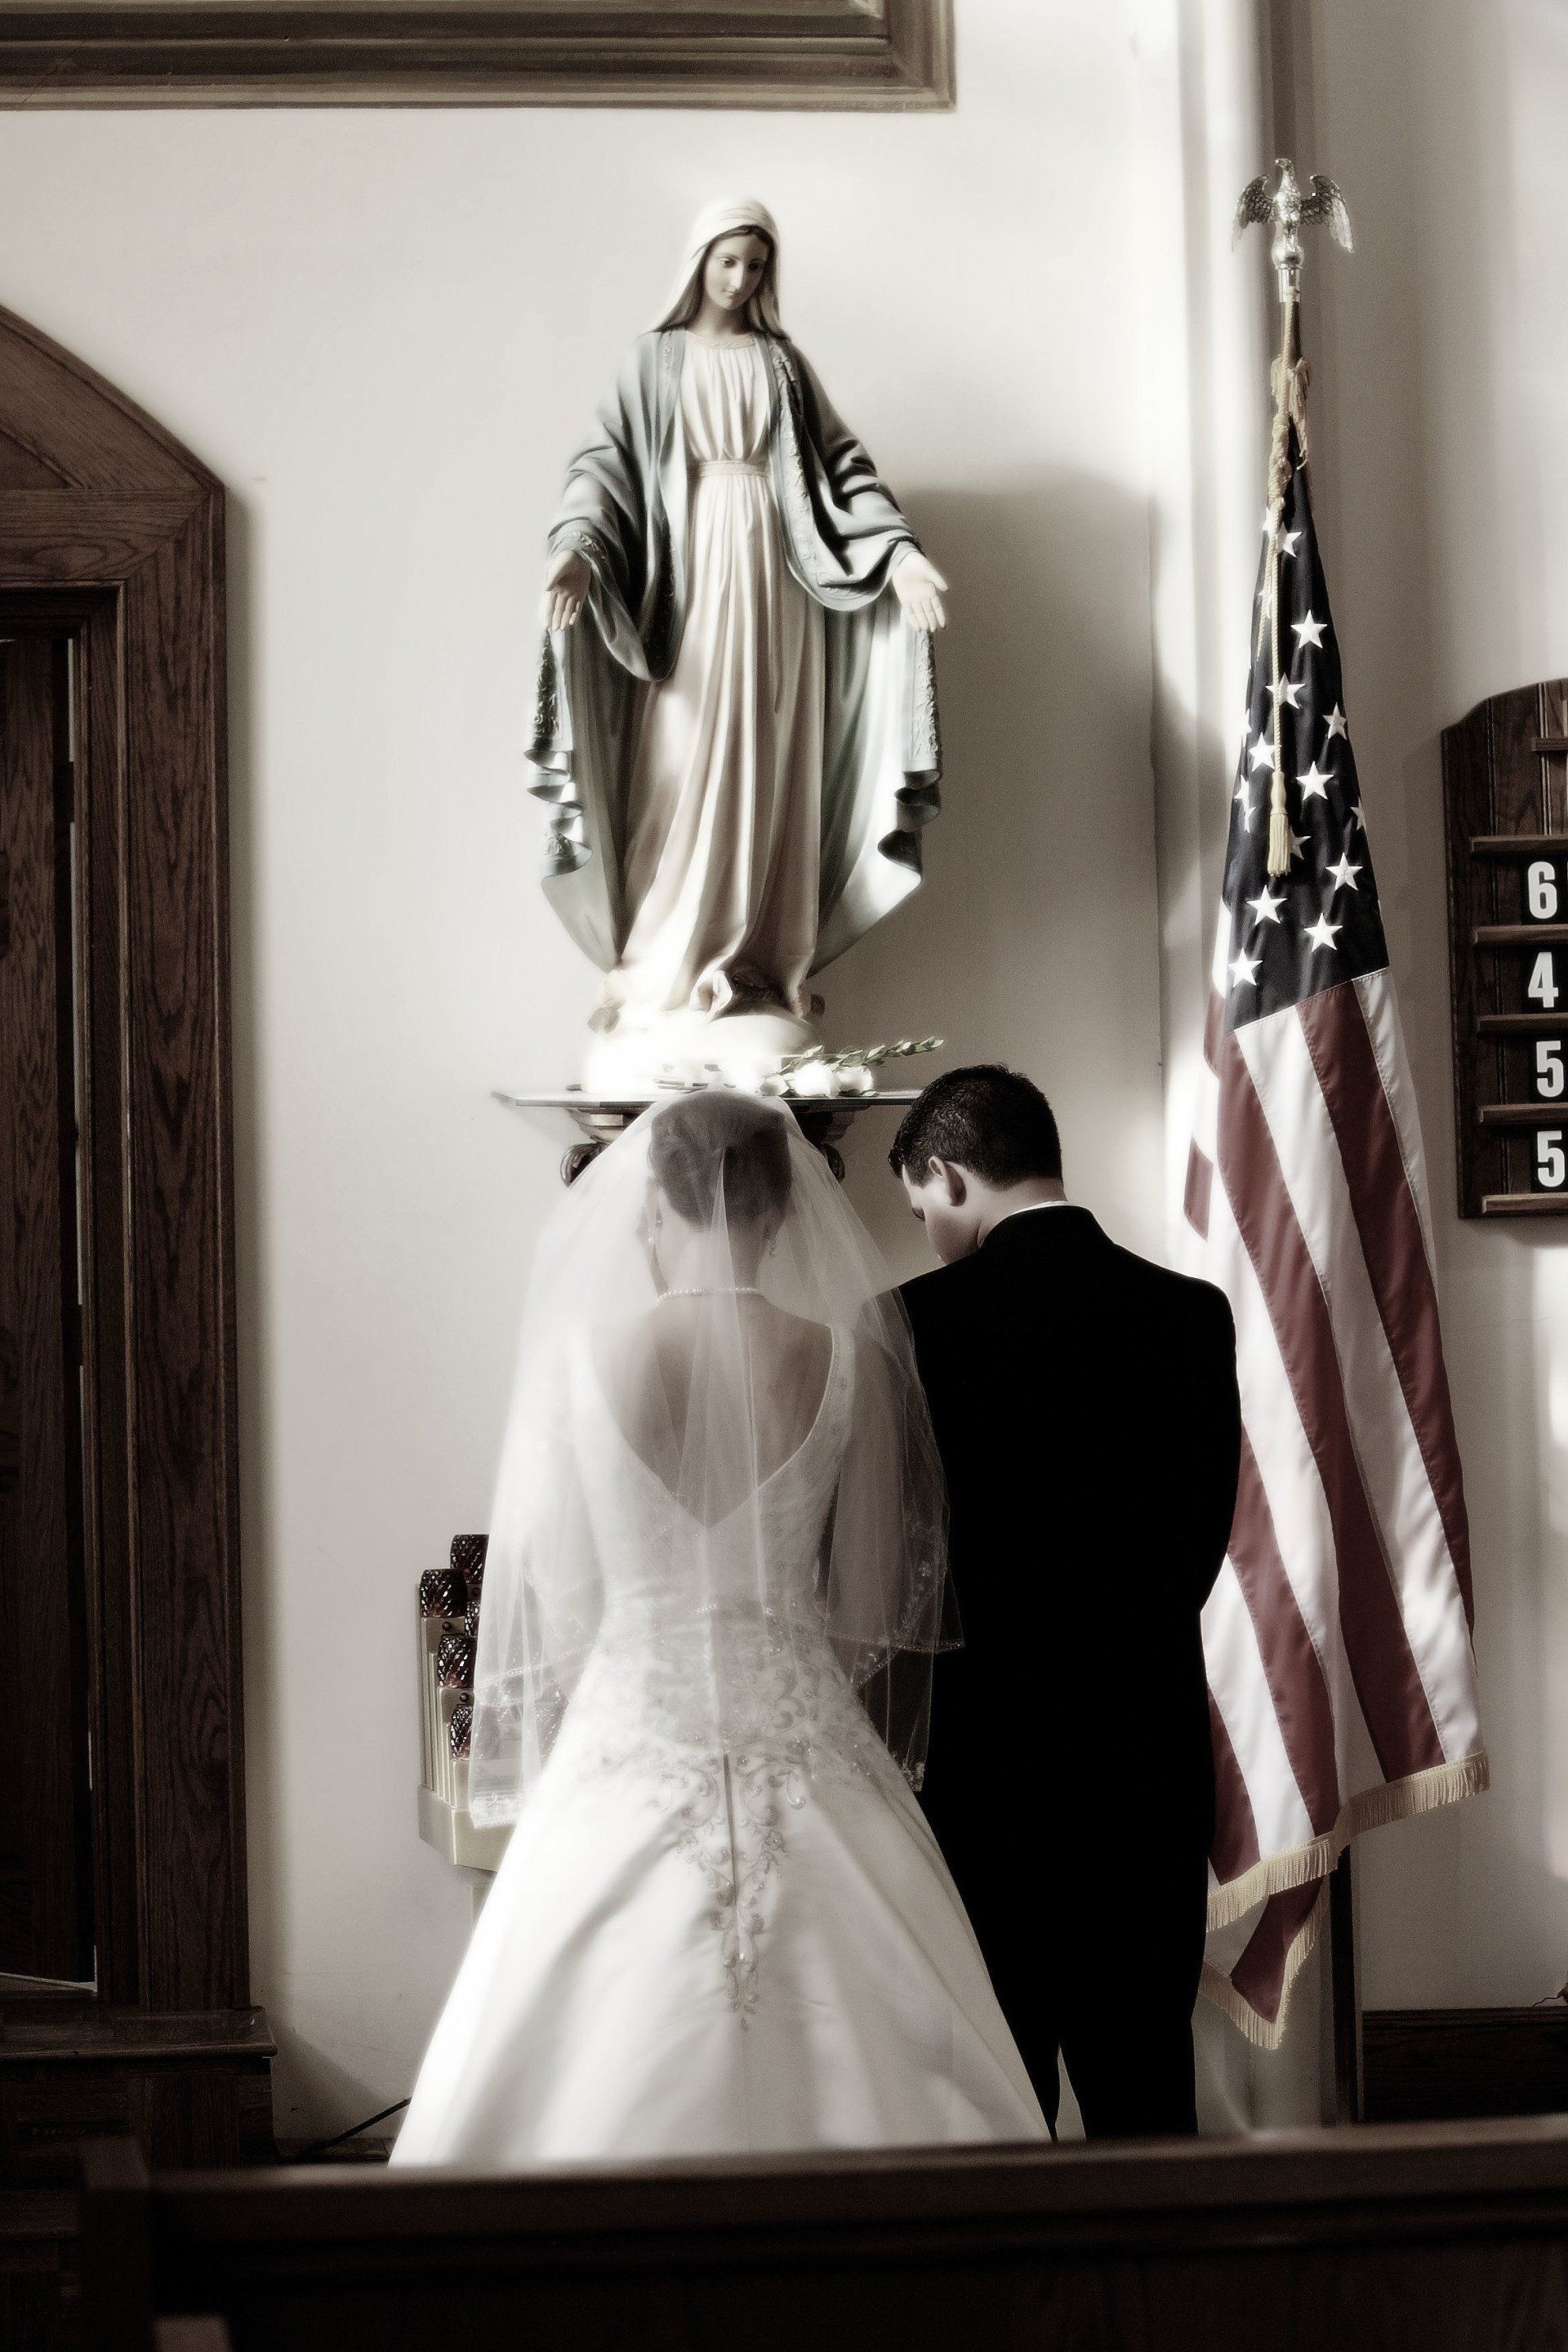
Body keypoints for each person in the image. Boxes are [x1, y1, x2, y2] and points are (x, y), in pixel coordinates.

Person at [392, 1093, 1046, 2166]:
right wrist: (784, 1677)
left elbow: (555, 1595)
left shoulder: (574, 1365)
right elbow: (874, 1601)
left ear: (653, 1204)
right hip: (801, 1728)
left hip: (629, 1727)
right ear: (788, 1213)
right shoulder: (854, 1366)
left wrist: (641, 1671)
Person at [528, 196, 950, 1089]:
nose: (740, 279)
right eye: (727, 261)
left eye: (756, 265)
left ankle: (754, 968)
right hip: (689, 588)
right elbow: (603, 467)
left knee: (768, 770)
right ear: (697, 262)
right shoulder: (652, 362)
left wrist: (902, 558)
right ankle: (662, 969)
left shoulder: (783, 366)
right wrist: (573, 555)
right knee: (678, 769)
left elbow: (842, 467)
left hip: (781, 587)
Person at [891, 1066, 1241, 2140]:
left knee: (1001, 2099)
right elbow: (1201, 1541)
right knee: (1146, 2089)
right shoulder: (1189, 1314)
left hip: (982, 1778)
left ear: (948, 1175)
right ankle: (1176, 2306)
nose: (925, 1236)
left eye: (920, 1210)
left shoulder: (906, 1324)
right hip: (1144, 1765)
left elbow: (903, 1567)